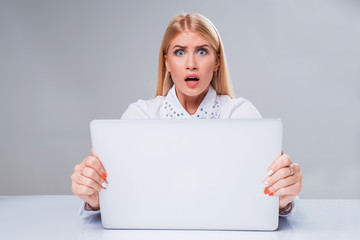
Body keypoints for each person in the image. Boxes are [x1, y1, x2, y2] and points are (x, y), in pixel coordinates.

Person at [71, 12, 302, 217]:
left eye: (202, 51)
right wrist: (95, 198)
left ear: (217, 62)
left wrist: (282, 200)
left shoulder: (240, 114)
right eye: (179, 52)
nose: (191, 64)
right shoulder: (141, 116)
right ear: (167, 63)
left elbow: (262, 198)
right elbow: (120, 195)